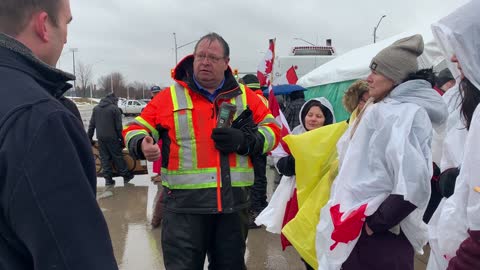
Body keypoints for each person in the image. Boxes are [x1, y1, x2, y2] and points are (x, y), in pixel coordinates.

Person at [122, 32, 280, 269]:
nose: (205, 62)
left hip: (232, 209)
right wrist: (141, 143)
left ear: (227, 63)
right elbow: (134, 128)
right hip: (184, 210)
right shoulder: (169, 97)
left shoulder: (245, 96)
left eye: (213, 57)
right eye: (200, 56)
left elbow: (274, 130)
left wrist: (245, 142)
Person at [0, 0, 118, 269]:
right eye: (66, 23)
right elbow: (76, 257)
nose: (66, 37)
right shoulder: (39, 119)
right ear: (43, 26)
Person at [315, 34, 447, 270]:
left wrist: (376, 223)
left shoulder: (403, 114)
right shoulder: (384, 108)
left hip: (380, 239)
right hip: (364, 228)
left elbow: (414, 183)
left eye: (376, 72)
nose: (369, 78)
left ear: (394, 76)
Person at [427, 1, 480, 269]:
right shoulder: (460, 98)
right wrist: (450, 172)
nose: (455, 58)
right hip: (454, 228)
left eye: (462, 47)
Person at [275, 97, 335, 270]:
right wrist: (298, 158)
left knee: (319, 240)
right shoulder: (295, 135)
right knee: (303, 240)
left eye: (319, 116)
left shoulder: (333, 139)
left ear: (327, 119)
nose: (313, 119)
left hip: (322, 199)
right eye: (310, 114)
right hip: (298, 197)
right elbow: (282, 166)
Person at [239, 74, 270, 229]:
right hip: (263, 142)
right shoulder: (263, 98)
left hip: (253, 142)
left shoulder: (250, 100)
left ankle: (255, 210)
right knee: (261, 176)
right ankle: (262, 205)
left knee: (255, 178)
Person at [88, 93, 133, 186]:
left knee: (105, 159)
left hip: (100, 138)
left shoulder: (96, 108)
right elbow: (118, 128)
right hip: (113, 138)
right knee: (117, 157)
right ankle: (126, 176)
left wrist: (89, 138)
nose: (116, 102)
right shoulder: (114, 109)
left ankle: (108, 179)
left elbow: (92, 125)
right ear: (113, 100)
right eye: (116, 101)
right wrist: (123, 140)